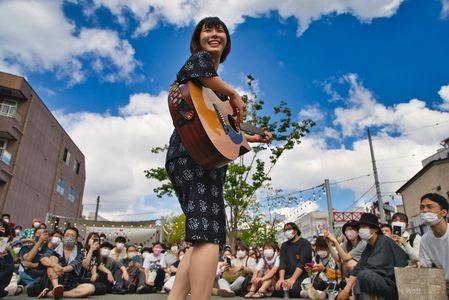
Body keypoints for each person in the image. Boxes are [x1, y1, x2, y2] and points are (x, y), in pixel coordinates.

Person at [165, 16, 272, 300]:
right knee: (211, 235)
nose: (214, 34)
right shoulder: (201, 68)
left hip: (191, 156)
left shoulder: (213, 95)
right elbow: (194, 69)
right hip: (195, 156)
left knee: (199, 238)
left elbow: (222, 135)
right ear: (197, 39)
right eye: (207, 29)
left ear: (227, 40)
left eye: (220, 30)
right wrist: (235, 94)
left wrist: (251, 138)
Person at [338, 213, 409, 300]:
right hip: (382, 282)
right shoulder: (369, 246)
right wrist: (346, 289)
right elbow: (359, 267)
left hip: (394, 285)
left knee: (364, 275)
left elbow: (372, 267)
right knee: (361, 275)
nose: (361, 230)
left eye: (364, 227)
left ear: (375, 229)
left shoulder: (383, 241)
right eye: (360, 227)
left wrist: (353, 286)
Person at [38, 227, 95, 298]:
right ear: (63, 238)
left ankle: (52, 294)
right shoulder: (55, 248)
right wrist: (55, 266)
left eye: (72, 236)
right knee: (53, 258)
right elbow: (43, 259)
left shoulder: (80, 252)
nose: (69, 237)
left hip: (69, 284)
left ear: (76, 240)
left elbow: (72, 266)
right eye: (67, 235)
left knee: (90, 288)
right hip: (51, 282)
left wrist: (60, 269)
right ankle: (55, 287)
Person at [418, 193, 449, 296]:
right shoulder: (425, 240)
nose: (424, 210)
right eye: (422, 207)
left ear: (443, 212)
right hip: (444, 286)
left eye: (430, 207)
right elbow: (425, 269)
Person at [274, 222, 312, 298]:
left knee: (292, 290)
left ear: (295, 231)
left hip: (300, 275)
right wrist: (281, 279)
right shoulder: (284, 245)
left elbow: (302, 263)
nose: (286, 232)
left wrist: (293, 279)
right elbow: (282, 263)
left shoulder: (305, 243)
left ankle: (307, 291)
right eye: (285, 230)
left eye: (289, 229)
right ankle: (305, 292)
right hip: (287, 275)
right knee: (278, 290)